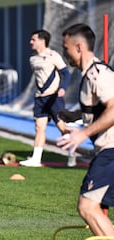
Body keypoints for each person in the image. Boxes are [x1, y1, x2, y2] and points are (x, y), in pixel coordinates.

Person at [57, 23, 114, 236]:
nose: (65, 53)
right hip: (107, 150)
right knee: (93, 207)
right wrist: (76, 116)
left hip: (111, 150)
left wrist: (83, 133)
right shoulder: (89, 73)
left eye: (66, 48)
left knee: (87, 207)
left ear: (79, 47)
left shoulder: (98, 73)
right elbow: (100, 109)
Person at [19, 29, 74, 167]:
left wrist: (62, 88)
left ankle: (72, 155)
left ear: (42, 41)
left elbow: (66, 74)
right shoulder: (32, 58)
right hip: (40, 98)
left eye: (33, 39)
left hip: (54, 97)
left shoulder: (53, 55)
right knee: (39, 127)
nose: (30, 42)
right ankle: (36, 159)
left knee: (62, 127)